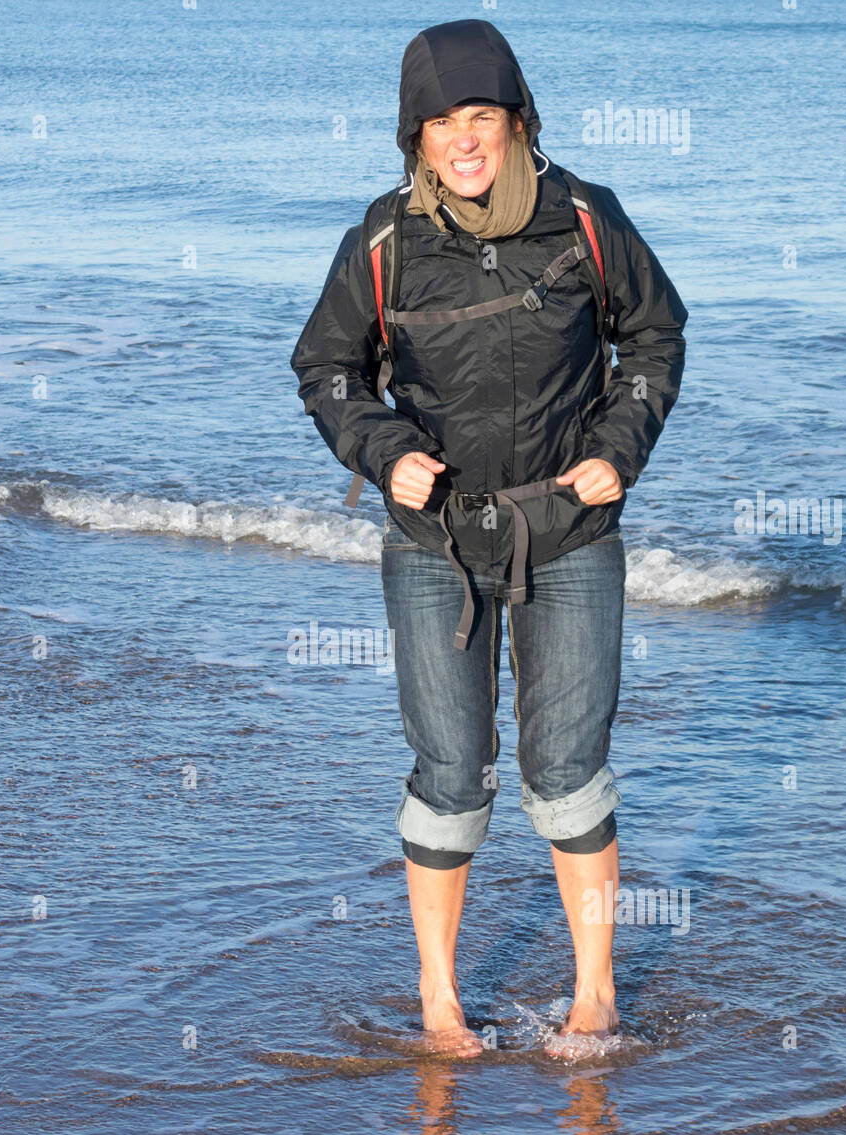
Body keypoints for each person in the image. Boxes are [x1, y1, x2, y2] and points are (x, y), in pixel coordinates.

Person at [290, 19, 687, 1057]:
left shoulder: (587, 220)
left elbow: (653, 335)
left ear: (518, 122)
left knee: (568, 771)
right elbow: (329, 371)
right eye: (440, 123)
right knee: (450, 772)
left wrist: (619, 447)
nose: (463, 140)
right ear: (413, 138)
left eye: (482, 117)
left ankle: (594, 995)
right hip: (436, 546)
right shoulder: (382, 241)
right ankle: (439, 1003)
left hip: (570, 531)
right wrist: (383, 451)